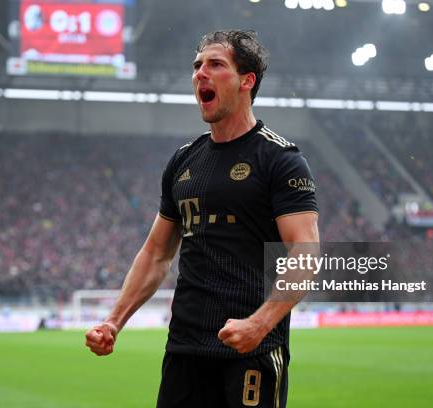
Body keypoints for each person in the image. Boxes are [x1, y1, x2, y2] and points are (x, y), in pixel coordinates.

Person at [85, 30, 319, 408]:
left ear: (247, 80)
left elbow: (306, 251)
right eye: (196, 66)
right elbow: (157, 253)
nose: (200, 74)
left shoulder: (280, 159)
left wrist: (259, 324)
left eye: (215, 64)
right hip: (185, 349)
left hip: (251, 350)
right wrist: (114, 320)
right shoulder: (183, 161)